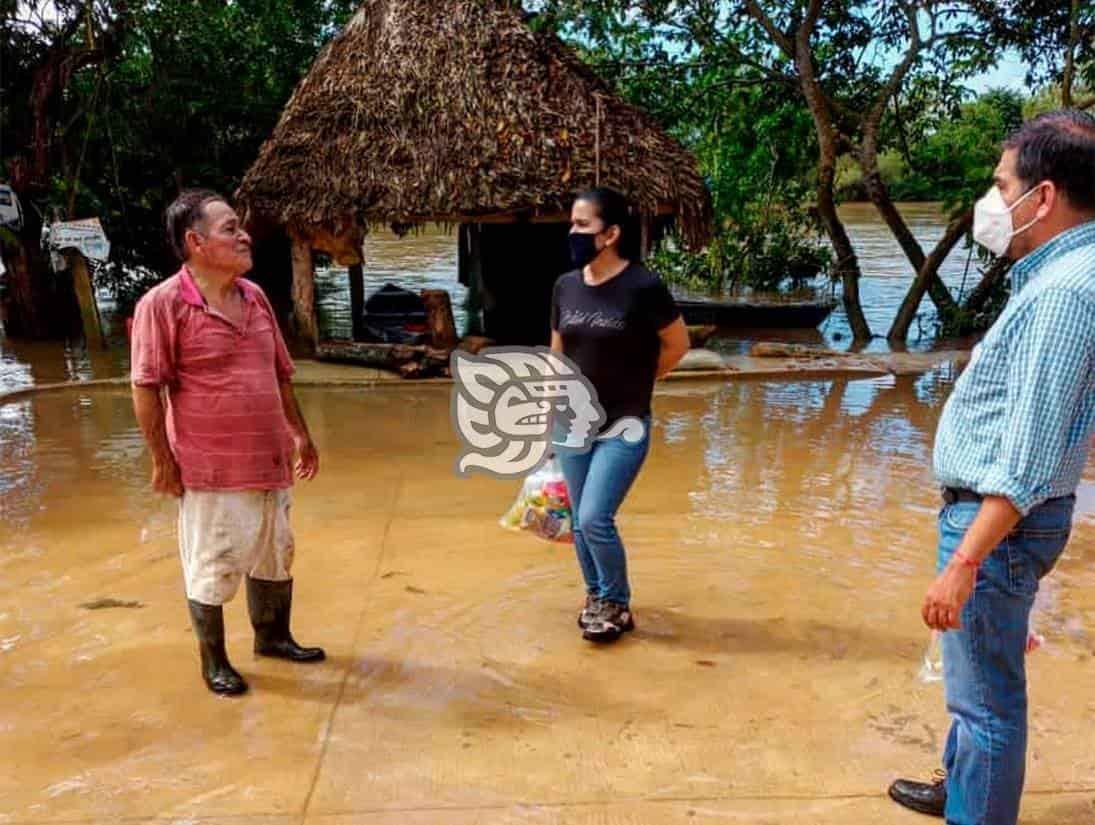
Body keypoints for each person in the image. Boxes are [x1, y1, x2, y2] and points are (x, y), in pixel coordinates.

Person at [889, 110, 1095, 823]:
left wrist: (965, 560)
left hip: (996, 521)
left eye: (1000, 182)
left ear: (1040, 197)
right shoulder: (1056, 274)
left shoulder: (1066, 291)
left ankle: (974, 809)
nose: (990, 197)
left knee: (984, 704)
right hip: (997, 519)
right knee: (974, 682)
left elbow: (1030, 452)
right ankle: (961, 784)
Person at [130, 189, 325, 696]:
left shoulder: (255, 296)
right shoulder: (163, 304)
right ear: (195, 242)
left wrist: (300, 434)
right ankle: (213, 660)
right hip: (209, 469)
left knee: (276, 554)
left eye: (240, 228)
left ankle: (274, 638)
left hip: (271, 460)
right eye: (230, 228)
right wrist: (161, 460)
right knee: (211, 565)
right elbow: (147, 386)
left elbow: (280, 373)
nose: (244, 236)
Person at [550, 187, 690, 643]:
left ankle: (617, 602)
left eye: (582, 224)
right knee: (577, 520)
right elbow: (559, 353)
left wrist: (641, 380)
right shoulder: (565, 286)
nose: (573, 232)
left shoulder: (643, 287)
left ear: (610, 233)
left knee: (594, 517)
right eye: (572, 223)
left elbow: (677, 345)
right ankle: (596, 597)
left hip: (624, 423)